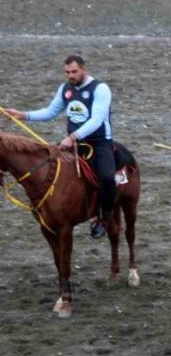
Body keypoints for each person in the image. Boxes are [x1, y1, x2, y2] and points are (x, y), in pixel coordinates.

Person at [5, 54, 117, 238]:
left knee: (106, 178)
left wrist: (72, 137)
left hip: (99, 143)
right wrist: (22, 115)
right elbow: (50, 112)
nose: (71, 76)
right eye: (67, 72)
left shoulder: (101, 89)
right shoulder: (66, 89)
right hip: (73, 143)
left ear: (84, 69)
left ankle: (104, 218)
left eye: (74, 72)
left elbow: (97, 120)